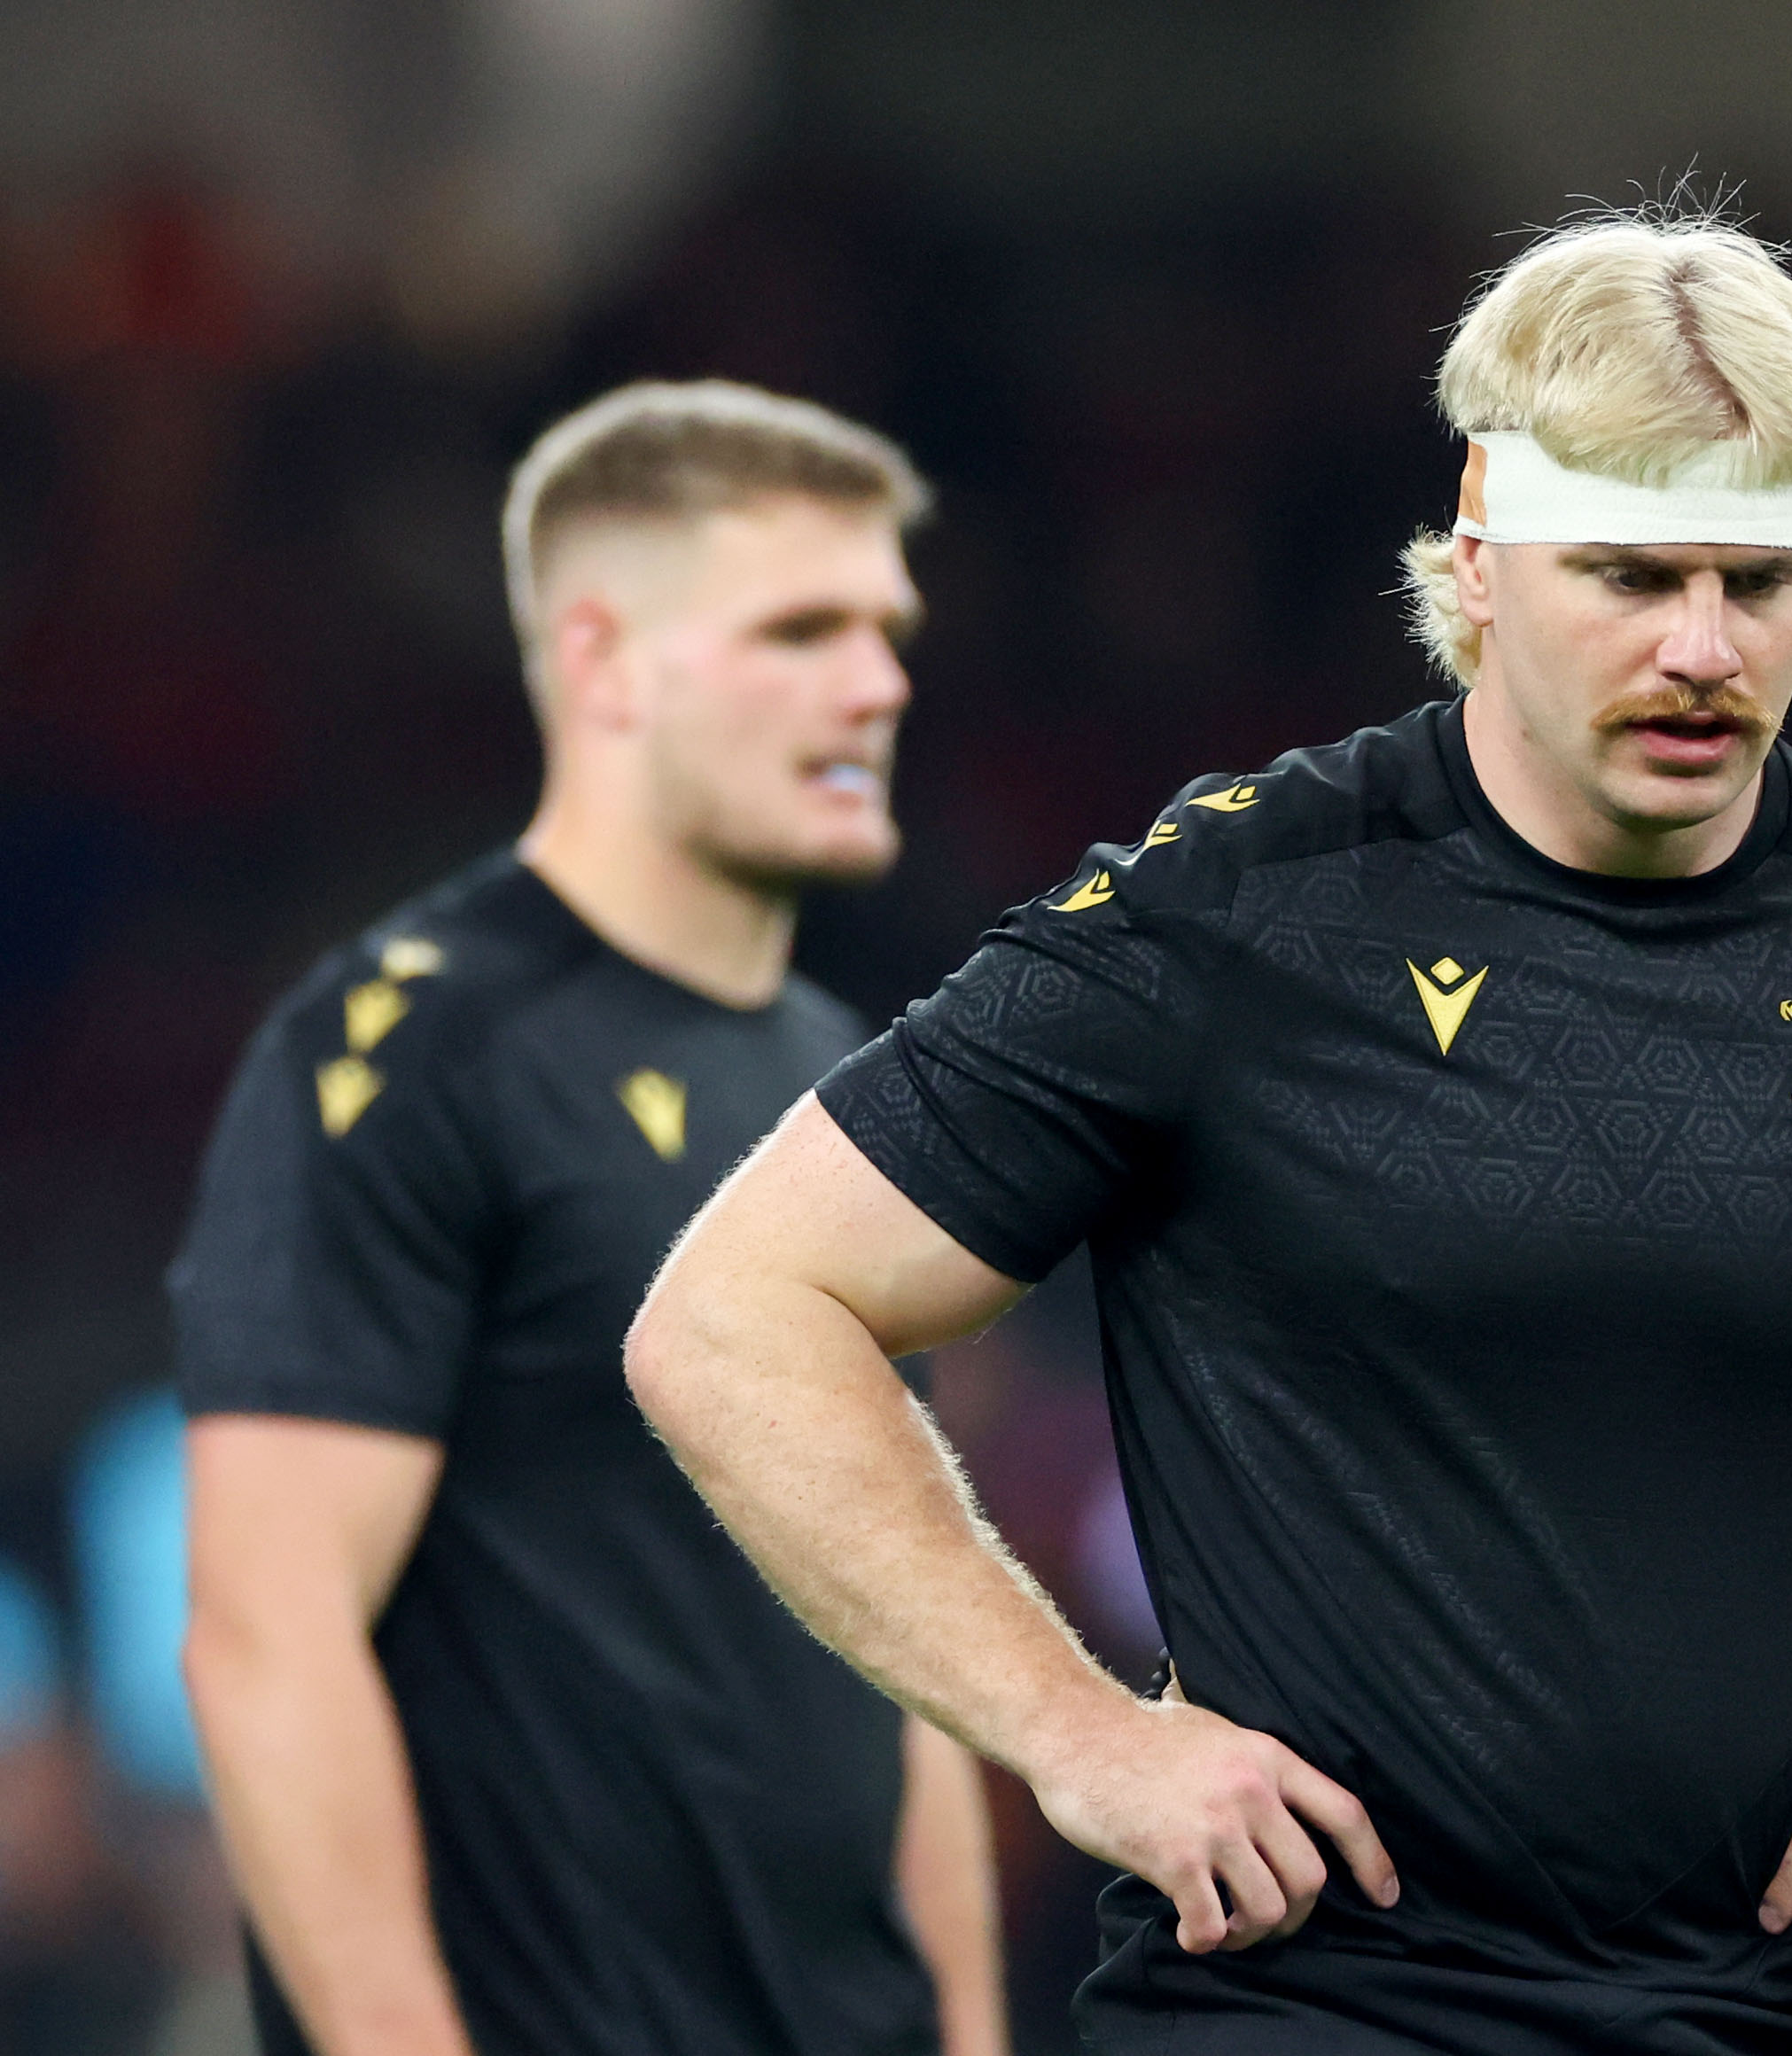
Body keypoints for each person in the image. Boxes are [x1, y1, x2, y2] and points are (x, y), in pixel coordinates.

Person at [627, 214, 1792, 2056]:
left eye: (1758, 578)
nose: (1703, 643)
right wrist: (1076, 1731)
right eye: (1630, 570)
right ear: (1481, 546)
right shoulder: (1241, 913)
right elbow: (736, 1313)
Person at [171, 381, 1009, 2056]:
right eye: (801, 629)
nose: (878, 683)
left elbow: (905, 1634)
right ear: (607, 662)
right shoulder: (395, 1056)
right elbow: (268, 1637)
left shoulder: (847, 1080)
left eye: (888, 630)